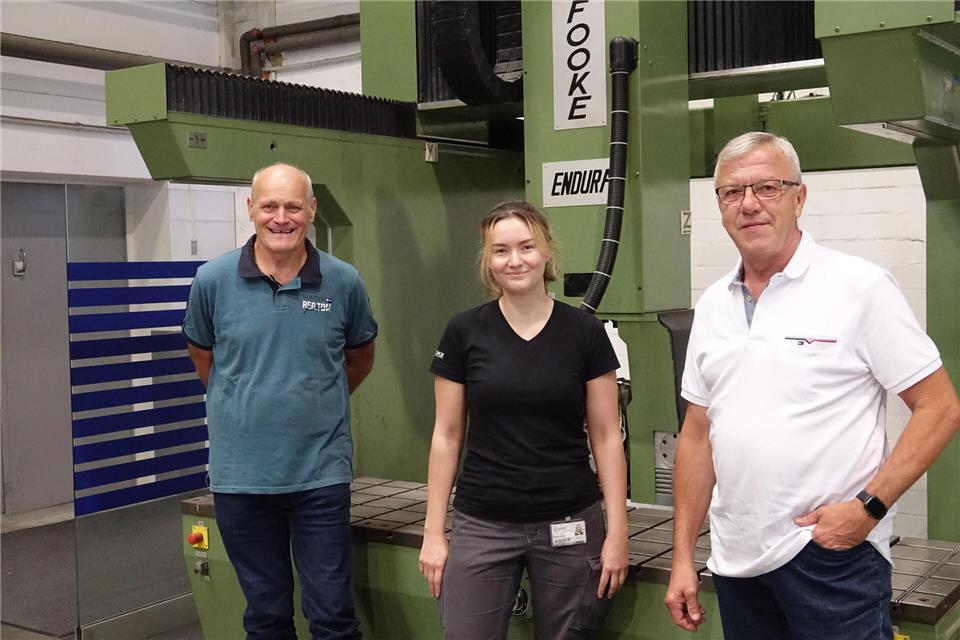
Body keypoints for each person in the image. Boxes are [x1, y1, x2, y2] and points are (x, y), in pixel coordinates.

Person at [664, 132, 960, 639]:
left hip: (829, 559)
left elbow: (939, 407)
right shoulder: (714, 304)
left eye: (768, 188)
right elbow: (696, 434)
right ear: (719, 206)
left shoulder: (859, 287)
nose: (749, 204)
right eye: (732, 192)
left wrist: (868, 509)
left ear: (800, 197)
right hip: (737, 561)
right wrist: (683, 557)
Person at [183, 162, 377, 639]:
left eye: (293, 206)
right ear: (251, 209)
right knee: (266, 616)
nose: (281, 217)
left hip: (319, 477)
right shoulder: (212, 280)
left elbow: (358, 360)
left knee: (332, 615)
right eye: (269, 205)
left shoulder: (343, 281)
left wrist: (310, 398)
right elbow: (204, 359)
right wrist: (244, 401)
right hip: (241, 480)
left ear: (312, 210)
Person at [418, 201, 629, 639]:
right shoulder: (464, 332)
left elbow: (607, 437)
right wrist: (433, 532)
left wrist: (617, 533)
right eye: (501, 250)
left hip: (569, 522)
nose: (515, 260)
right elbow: (446, 435)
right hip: (482, 523)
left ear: (547, 250)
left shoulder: (584, 333)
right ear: (487, 260)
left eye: (527, 246)